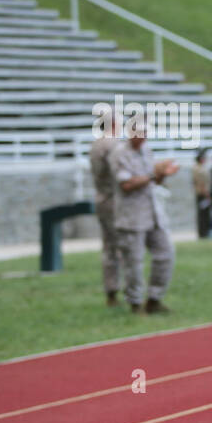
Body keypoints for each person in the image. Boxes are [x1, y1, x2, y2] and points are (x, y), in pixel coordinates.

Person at [107, 112, 179, 314]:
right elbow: (127, 184)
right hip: (131, 216)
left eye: (146, 130)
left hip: (153, 212)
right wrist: (153, 174)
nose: (144, 134)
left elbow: (152, 180)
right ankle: (135, 303)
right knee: (134, 262)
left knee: (165, 254)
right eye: (140, 130)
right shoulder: (119, 153)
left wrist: (162, 175)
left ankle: (155, 299)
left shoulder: (146, 150)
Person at [88, 111, 125, 305]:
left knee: (109, 247)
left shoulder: (96, 144)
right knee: (123, 245)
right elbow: (119, 173)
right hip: (114, 199)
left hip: (101, 198)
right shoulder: (112, 145)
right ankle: (129, 291)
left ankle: (111, 291)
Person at [192, 149, 212, 239]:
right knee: (203, 215)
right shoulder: (198, 169)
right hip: (202, 194)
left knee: (205, 214)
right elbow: (201, 183)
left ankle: (205, 232)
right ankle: (203, 233)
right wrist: (206, 194)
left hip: (203, 193)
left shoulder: (199, 167)